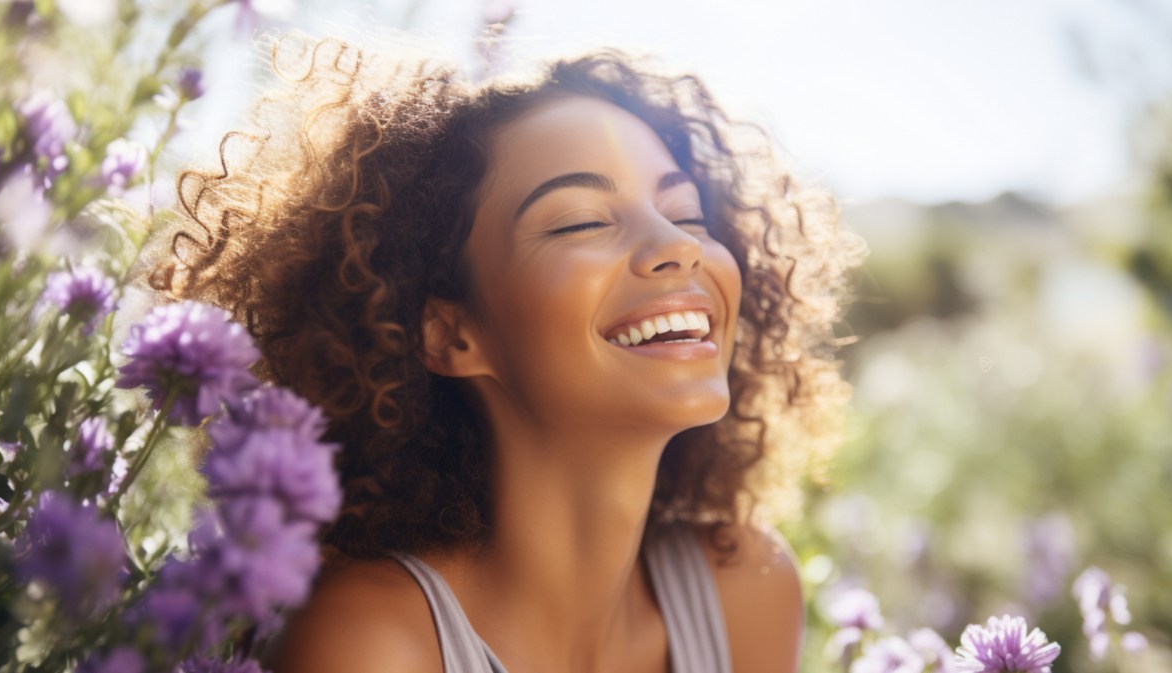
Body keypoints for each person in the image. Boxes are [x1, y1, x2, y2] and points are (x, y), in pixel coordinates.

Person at [151, 32, 863, 673]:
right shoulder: (371, 644)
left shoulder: (747, 589)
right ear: (450, 333)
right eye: (583, 221)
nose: (680, 245)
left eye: (686, 214)